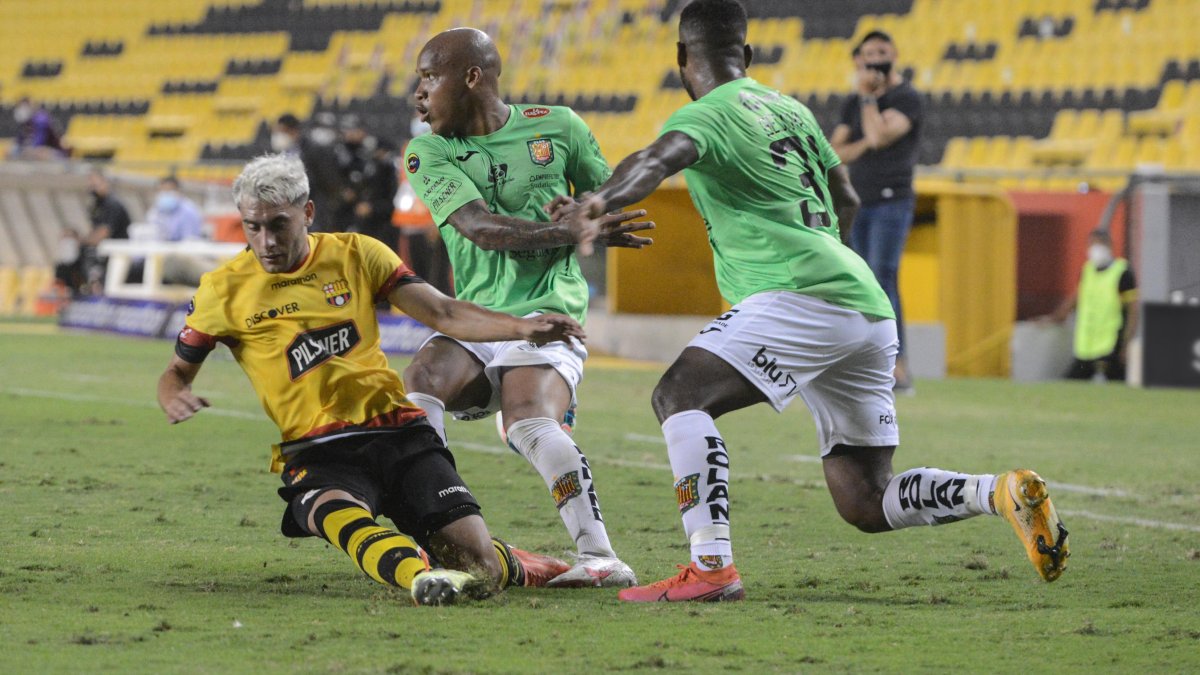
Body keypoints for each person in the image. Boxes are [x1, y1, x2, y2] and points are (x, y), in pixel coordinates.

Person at [559, 0, 1069, 603]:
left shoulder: (708, 114)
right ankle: (1000, 491)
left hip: (797, 296)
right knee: (864, 497)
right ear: (746, 55)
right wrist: (828, 260)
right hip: (864, 305)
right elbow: (846, 196)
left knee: (679, 396)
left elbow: (655, 160)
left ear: (680, 60)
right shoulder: (791, 111)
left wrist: (594, 205)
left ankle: (711, 567)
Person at [156, 153, 580, 605]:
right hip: (317, 450)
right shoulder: (223, 289)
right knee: (337, 515)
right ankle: (418, 577)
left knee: (482, 572)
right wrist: (174, 394)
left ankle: (507, 560)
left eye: (278, 224)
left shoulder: (357, 253)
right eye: (252, 227)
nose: (266, 241)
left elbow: (442, 312)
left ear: (308, 213)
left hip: (399, 434)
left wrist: (522, 327)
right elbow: (177, 371)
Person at [403, 28, 653, 588]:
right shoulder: (429, 151)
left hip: (548, 312)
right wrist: (562, 229)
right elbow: (479, 228)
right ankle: (436, 528)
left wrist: (593, 208)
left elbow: (605, 193)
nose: (417, 94)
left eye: (427, 78)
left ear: (471, 77)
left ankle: (601, 558)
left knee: (525, 418)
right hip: (476, 319)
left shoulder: (558, 125)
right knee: (420, 379)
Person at [830, 30, 923, 392]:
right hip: (858, 200)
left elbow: (882, 137)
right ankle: (866, 362)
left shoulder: (906, 97)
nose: (875, 59)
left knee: (884, 278)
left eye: (881, 51)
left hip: (892, 199)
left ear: (894, 54)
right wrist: (867, 137)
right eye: (868, 53)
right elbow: (835, 151)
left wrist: (869, 104)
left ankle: (897, 367)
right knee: (860, 282)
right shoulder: (853, 102)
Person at [1042, 229, 1138, 382]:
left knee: (1116, 387)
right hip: (1086, 345)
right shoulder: (1087, 270)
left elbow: (1133, 311)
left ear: (1109, 246)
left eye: (1100, 244)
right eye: (1092, 244)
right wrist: (1055, 317)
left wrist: (1127, 343)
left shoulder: (1122, 272)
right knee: (1071, 385)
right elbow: (1076, 298)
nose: (1095, 248)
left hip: (1110, 344)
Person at [332, 115, 399, 249]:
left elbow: (389, 198)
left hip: (380, 221)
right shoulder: (341, 154)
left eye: (354, 130)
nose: (350, 134)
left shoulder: (382, 165)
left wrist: (372, 207)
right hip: (353, 215)